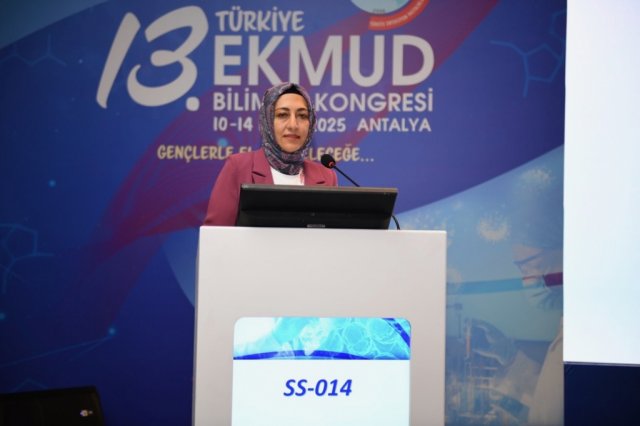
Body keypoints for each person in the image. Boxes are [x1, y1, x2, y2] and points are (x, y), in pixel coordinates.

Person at [204, 82, 338, 226]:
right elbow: (216, 234)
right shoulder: (239, 167)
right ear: (267, 120)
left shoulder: (326, 176)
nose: (293, 125)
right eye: (282, 115)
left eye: (302, 115)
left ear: (311, 123)